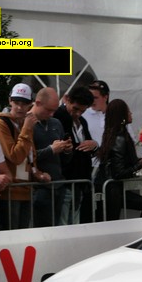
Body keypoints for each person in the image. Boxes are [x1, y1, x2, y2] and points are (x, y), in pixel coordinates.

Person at [95, 99, 142, 221]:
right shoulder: (119, 138)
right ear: (122, 116)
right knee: (112, 223)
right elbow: (118, 173)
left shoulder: (115, 135)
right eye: (128, 111)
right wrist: (141, 163)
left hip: (111, 189)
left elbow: (122, 163)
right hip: (111, 190)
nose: (131, 113)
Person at [0, 83, 43, 230]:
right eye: (16, 102)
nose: (20, 107)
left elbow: (31, 154)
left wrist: (37, 173)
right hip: (9, 191)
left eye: (24, 103)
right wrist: (27, 128)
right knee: (10, 236)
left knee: (23, 236)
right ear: (10, 101)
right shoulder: (1, 124)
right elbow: (15, 156)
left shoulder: (25, 123)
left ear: (30, 105)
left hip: (25, 189)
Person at [54, 86, 98, 223]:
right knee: (63, 221)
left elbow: (88, 145)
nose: (78, 114)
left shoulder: (82, 122)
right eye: (75, 109)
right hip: (66, 180)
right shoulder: (59, 117)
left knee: (74, 221)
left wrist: (94, 145)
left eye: (82, 111)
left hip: (80, 181)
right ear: (67, 100)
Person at [31, 87, 73, 228]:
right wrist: (51, 150)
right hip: (38, 187)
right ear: (37, 103)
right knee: (41, 229)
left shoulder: (56, 123)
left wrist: (67, 150)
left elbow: (64, 160)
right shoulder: (26, 123)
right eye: (48, 110)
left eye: (54, 110)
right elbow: (26, 156)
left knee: (56, 228)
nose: (51, 114)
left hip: (58, 185)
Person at [82, 79, 110, 146]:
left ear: (105, 97)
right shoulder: (82, 114)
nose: (91, 100)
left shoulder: (116, 114)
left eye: (95, 98)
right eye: (90, 97)